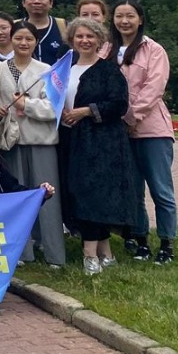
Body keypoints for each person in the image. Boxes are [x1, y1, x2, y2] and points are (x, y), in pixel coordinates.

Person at [60, 17, 136, 275]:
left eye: (90, 36)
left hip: (102, 143)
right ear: (72, 40)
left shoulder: (109, 70)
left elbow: (119, 104)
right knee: (78, 193)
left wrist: (86, 111)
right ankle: (105, 251)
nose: (85, 41)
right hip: (71, 140)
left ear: (99, 40)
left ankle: (89, 255)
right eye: (80, 36)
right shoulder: (64, 69)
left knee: (94, 195)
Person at [0, 20, 66, 267]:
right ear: (11, 40)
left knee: (46, 195)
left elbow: (55, 107)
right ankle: (22, 251)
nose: (23, 43)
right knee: (16, 197)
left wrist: (27, 106)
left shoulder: (47, 70)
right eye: (19, 38)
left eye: (29, 39)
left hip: (40, 140)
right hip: (10, 140)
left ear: (35, 42)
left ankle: (53, 251)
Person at [113, 0, 178, 264]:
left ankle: (166, 243)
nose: (124, 21)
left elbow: (154, 88)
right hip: (119, 131)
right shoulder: (108, 48)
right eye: (119, 16)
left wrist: (130, 117)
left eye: (130, 16)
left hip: (152, 130)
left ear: (140, 19)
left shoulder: (154, 50)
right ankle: (141, 241)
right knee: (133, 190)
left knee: (160, 189)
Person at [21, 0, 68, 65]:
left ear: (51, 3)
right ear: (23, 3)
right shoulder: (15, 27)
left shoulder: (64, 26)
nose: (36, 1)